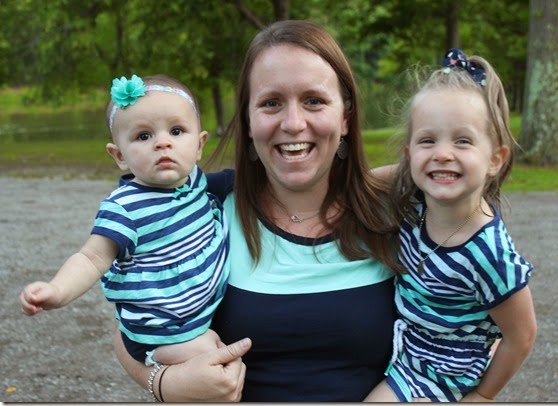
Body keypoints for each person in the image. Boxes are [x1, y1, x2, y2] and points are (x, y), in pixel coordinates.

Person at [113, 19, 406, 402]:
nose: (293, 123)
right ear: (248, 122)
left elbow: (472, 335)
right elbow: (130, 326)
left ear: (345, 118)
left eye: (314, 101)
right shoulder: (200, 204)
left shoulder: (392, 212)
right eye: (271, 103)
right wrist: (166, 384)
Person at [20, 74, 230, 380]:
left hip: (200, 307)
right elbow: (91, 258)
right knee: (217, 357)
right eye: (143, 136)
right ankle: (155, 355)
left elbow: (242, 179)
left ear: (199, 145)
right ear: (120, 156)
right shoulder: (125, 209)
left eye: (176, 131)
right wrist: (57, 290)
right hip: (161, 327)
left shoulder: (196, 181)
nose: (163, 143)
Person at [364, 48, 537, 402]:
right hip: (403, 347)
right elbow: (366, 182)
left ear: (495, 159)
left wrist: (482, 396)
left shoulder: (489, 254)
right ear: (409, 155)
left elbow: (522, 335)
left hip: (438, 376)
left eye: (462, 141)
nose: (442, 154)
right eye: (428, 140)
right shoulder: (416, 200)